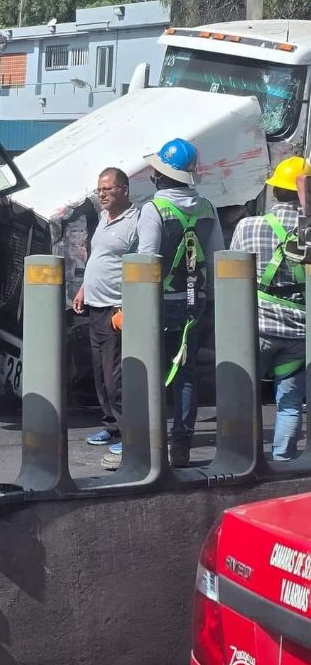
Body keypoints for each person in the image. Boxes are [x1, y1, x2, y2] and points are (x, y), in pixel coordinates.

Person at [137, 138, 224, 469]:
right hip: (194, 302)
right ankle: (181, 445)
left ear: (161, 175)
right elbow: (217, 257)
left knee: (153, 371)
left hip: (160, 303)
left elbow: (147, 260)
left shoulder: (154, 209)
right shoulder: (207, 207)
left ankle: (151, 444)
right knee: (185, 373)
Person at [230, 156, 311, 461]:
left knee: (245, 399)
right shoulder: (310, 233)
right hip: (300, 334)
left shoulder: (248, 226)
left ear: (275, 191)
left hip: (258, 327)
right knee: (289, 404)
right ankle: (283, 461)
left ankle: (245, 460)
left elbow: (234, 274)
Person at [73, 168, 139, 471]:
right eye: (99, 189)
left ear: (124, 190)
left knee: (115, 378)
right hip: (95, 306)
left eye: (107, 189)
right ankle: (111, 425)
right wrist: (85, 288)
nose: (102, 194)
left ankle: (129, 435)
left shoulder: (135, 222)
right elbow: (99, 258)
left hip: (115, 308)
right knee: (99, 373)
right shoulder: (103, 219)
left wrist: (126, 306)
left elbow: (139, 266)